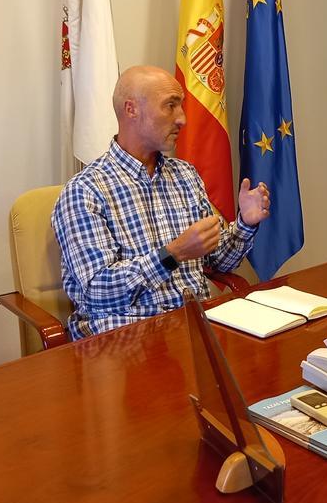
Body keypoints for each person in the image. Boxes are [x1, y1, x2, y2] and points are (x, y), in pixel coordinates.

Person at [53, 65, 271, 339]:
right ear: (131, 110)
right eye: (170, 106)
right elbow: (98, 292)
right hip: (125, 339)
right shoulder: (85, 191)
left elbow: (218, 262)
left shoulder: (185, 175)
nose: (182, 119)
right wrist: (173, 254)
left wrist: (245, 224)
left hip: (195, 329)